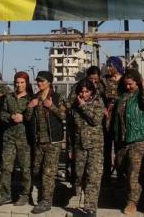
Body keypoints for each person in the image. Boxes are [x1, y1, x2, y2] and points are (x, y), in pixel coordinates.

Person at [112, 69, 144, 214]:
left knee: (133, 173)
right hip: (124, 140)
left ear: (137, 83)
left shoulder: (142, 95)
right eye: (126, 84)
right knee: (122, 166)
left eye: (130, 84)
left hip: (140, 138)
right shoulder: (123, 97)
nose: (128, 87)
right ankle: (137, 192)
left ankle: (132, 203)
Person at [25, 71, 67, 214]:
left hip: (53, 141)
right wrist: (30, 106)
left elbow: (64, 115)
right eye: (38, 81)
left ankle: (46, 201)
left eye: (42, 81)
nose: (39, 83)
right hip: (38, 141)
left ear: (49, 82)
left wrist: (52, 106)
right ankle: (39, 195)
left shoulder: (57, 97)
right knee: (36, 170)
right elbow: (28, 118)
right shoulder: (35, 97)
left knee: (48, 172)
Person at [0, 72, 34, 207]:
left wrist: (23, 118)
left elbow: (34, 118)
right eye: (17, 82)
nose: (19, 85)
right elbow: (2, 113)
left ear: (27, 83)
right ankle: (5, 195)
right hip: (9, 137)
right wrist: (10, 117)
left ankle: (24, 195)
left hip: (24, 139)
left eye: (22, 82)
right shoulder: (8, 97)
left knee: (25, 168)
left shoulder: (31, 99)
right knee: (6, 167)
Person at [71, 79, 105, 217]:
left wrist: (84, 106)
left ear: (91, 92)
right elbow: (72, 126)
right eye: (81, 91)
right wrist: (70, 148)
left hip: (95, 146)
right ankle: (83, 198)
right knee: (80, 175)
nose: (83, 94)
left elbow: (96, 120)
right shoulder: (75, 105)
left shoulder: (98, 103)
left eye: (86, 91)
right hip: (79, 145)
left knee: (93, 176)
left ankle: (90, 207)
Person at [103, 57, 125, 178]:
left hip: (121, 116)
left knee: (120, 146)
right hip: (108, 117)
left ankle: (120, 172)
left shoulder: (125, 80)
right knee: (106, 146)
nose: (108, 68)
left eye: (110, 66)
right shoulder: (105, 81)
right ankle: (107, 172)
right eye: (108, 66)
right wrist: (103, 108)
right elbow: (99, 96)